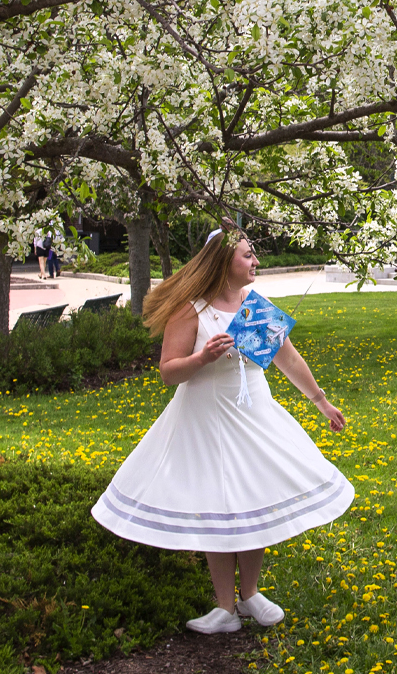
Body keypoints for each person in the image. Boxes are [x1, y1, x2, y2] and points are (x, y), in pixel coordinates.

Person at [91, 224, 352, 634]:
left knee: (253, 497)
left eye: (253, 255)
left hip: (254, 416)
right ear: (223, 262)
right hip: (205, 420)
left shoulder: (253, 305)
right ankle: (224, 607)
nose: (256, 262)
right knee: (217, 504)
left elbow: (289, 360)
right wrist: (203, 359)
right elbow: (168, 373)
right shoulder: (192, 309)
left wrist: (321, 401)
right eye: (248, 255)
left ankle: (250, 596)